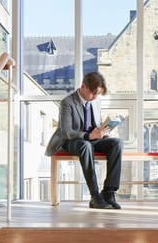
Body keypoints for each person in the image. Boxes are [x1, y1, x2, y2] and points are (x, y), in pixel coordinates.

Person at [45, 71, 123, 209]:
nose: (95, 97)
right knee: (85, 145)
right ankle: (94, 196)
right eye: (93, 93)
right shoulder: (67, 102)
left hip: (91, 138)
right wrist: (88, 136)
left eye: (98, 94)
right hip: (72, 141)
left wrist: (103, 131)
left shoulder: (95, 101)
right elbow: (66, 132)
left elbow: (95, 124)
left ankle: (108, 192)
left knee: (117, 143)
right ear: (83, 86)